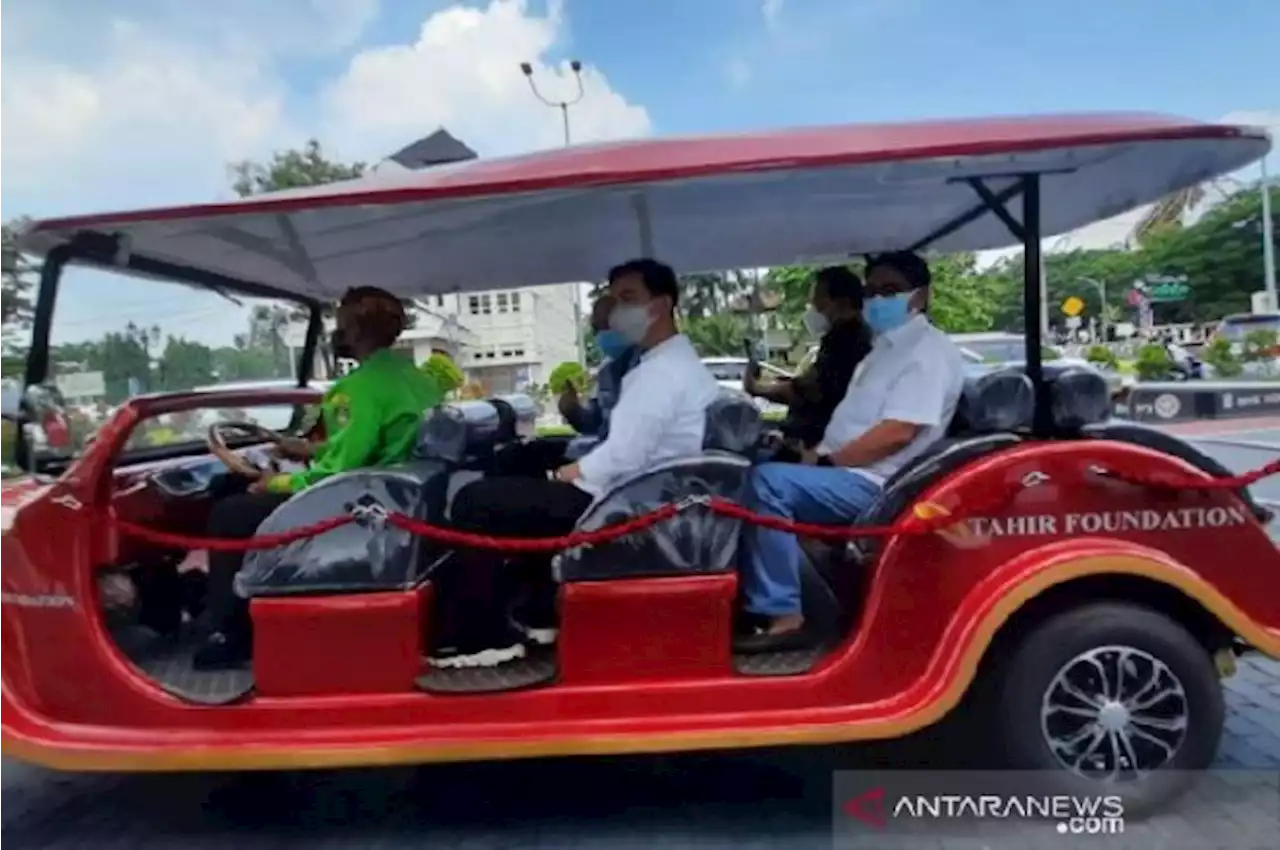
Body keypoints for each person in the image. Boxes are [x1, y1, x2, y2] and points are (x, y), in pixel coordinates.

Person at [431, 258, 722, 669]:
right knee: (521, 488)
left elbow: (623, 454)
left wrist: (561, 474)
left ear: (660, 305)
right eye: (615, 299)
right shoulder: (673, 365)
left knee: (477, 502)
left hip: (628, 503)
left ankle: (479, 638)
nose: (618, 310)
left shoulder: (660, 374)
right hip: (643, 491)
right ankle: (539, 613)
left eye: (629, 298)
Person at [193, 287, 445, 670]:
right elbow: (372, 444)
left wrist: (274, 483)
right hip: (402, 496)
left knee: (230, 513)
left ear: (356, 329)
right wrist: (301, 449)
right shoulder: (417, 379)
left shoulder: (356, 389)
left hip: (360, 506)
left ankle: (231, 633)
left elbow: (339, 473)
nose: (335, 332)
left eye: (339, 323)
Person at [734, 252, 967, 654]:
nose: (878, 299)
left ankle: (784, 614)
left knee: (767, 485)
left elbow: (898, 431)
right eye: (872, 291)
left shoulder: (926, 352)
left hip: (878, 482)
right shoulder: (886, 348)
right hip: (850, 470)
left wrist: (825, 462)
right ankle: (754, 592)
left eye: (890, 290)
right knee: (747, 467)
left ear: (921, 295)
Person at [491, 293, 641, 478]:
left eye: (607, 327)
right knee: (519, 452)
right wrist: (572, 410)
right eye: (597, 329)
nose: (601, 335)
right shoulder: (608, 370)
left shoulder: (646, 367)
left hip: (615, 466)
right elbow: (595, 423)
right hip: (593, 448)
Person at [744, 266, 872, 452]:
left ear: (841, 302)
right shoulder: (851, 337)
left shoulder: (844, 341)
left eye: (818, 303)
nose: (813, 310)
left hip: (820, 444)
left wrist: (757, 388)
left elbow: (809, 392)